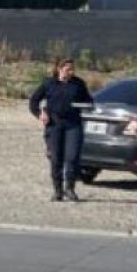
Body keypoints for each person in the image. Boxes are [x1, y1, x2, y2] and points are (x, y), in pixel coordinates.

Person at [28, 57, 93, 201]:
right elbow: (34, 101)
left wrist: (84, 105)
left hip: (73, 125)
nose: (71, 72)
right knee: (56, 158)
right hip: (54, 125)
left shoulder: (78, 84)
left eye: (72, 69)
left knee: (72, 157)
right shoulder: (49, 83)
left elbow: (89, 102)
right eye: (67, 69)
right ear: (59, 69)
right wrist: (40, 114)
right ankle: (57, 191)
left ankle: (69, 188)